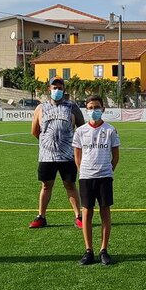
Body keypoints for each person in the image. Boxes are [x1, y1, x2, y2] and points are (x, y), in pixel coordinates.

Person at [31, 78, 85, 229]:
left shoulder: (71, 107)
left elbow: (81, 128)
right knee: (46, 185)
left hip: (68, 155)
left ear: (64, 89)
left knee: (70, 185)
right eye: (54, 87)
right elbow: (35, 131)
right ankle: (41, 216)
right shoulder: (41, 108)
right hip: (46, 156)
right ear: (49, 89)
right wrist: (48, 143)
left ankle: (78, 216)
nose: (57, 90)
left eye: (60, 87)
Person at [72, 96, 120, 266]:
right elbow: (77, 157)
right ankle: (88, 250)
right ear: (86, 110)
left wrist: (107, 171)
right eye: (91, 107)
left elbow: (115, 157)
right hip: (86, 177)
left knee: (105, 212)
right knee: (87, 213)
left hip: (105, 177)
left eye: (97, 107)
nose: (94, 110)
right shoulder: (80, 131)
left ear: (103, 109)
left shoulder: (110, 130)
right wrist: (83, 171)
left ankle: (104, 250)